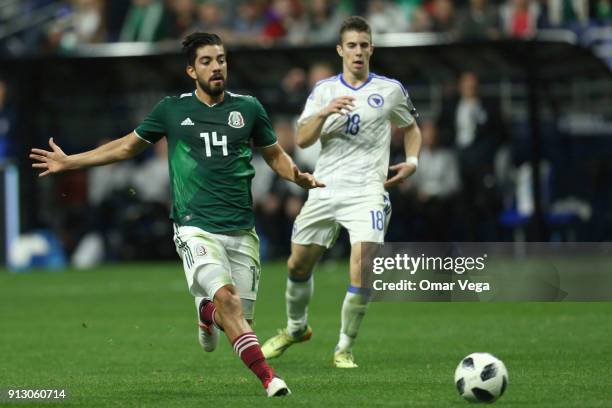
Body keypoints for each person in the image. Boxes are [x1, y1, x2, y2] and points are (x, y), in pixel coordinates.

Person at [30, 32, 324, 397]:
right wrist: (70, 161)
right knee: (228, 301)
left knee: (239, 322)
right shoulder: (172, 110)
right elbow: (126, 147)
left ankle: (205, 313)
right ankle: (270, 378)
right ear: (191, 70)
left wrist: (295, 176)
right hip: (194, 227)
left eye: (220, 59)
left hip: (241, 230)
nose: (216, 67)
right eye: (206, 61)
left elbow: (274, 155)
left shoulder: (248, 108)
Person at [261, 16, 422, 368]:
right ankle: (295, 328)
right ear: (340, 50)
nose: (359, 51)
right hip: (325, 187)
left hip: (367, 191)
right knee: (298, 264)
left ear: (371, 49)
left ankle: (344, 347)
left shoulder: (390, 89)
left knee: (362, 266)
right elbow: (302, 139)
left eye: (364, 45)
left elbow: (411, 128)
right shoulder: (324, 91)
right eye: (352, 45)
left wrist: (411, 160)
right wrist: (324, 112)